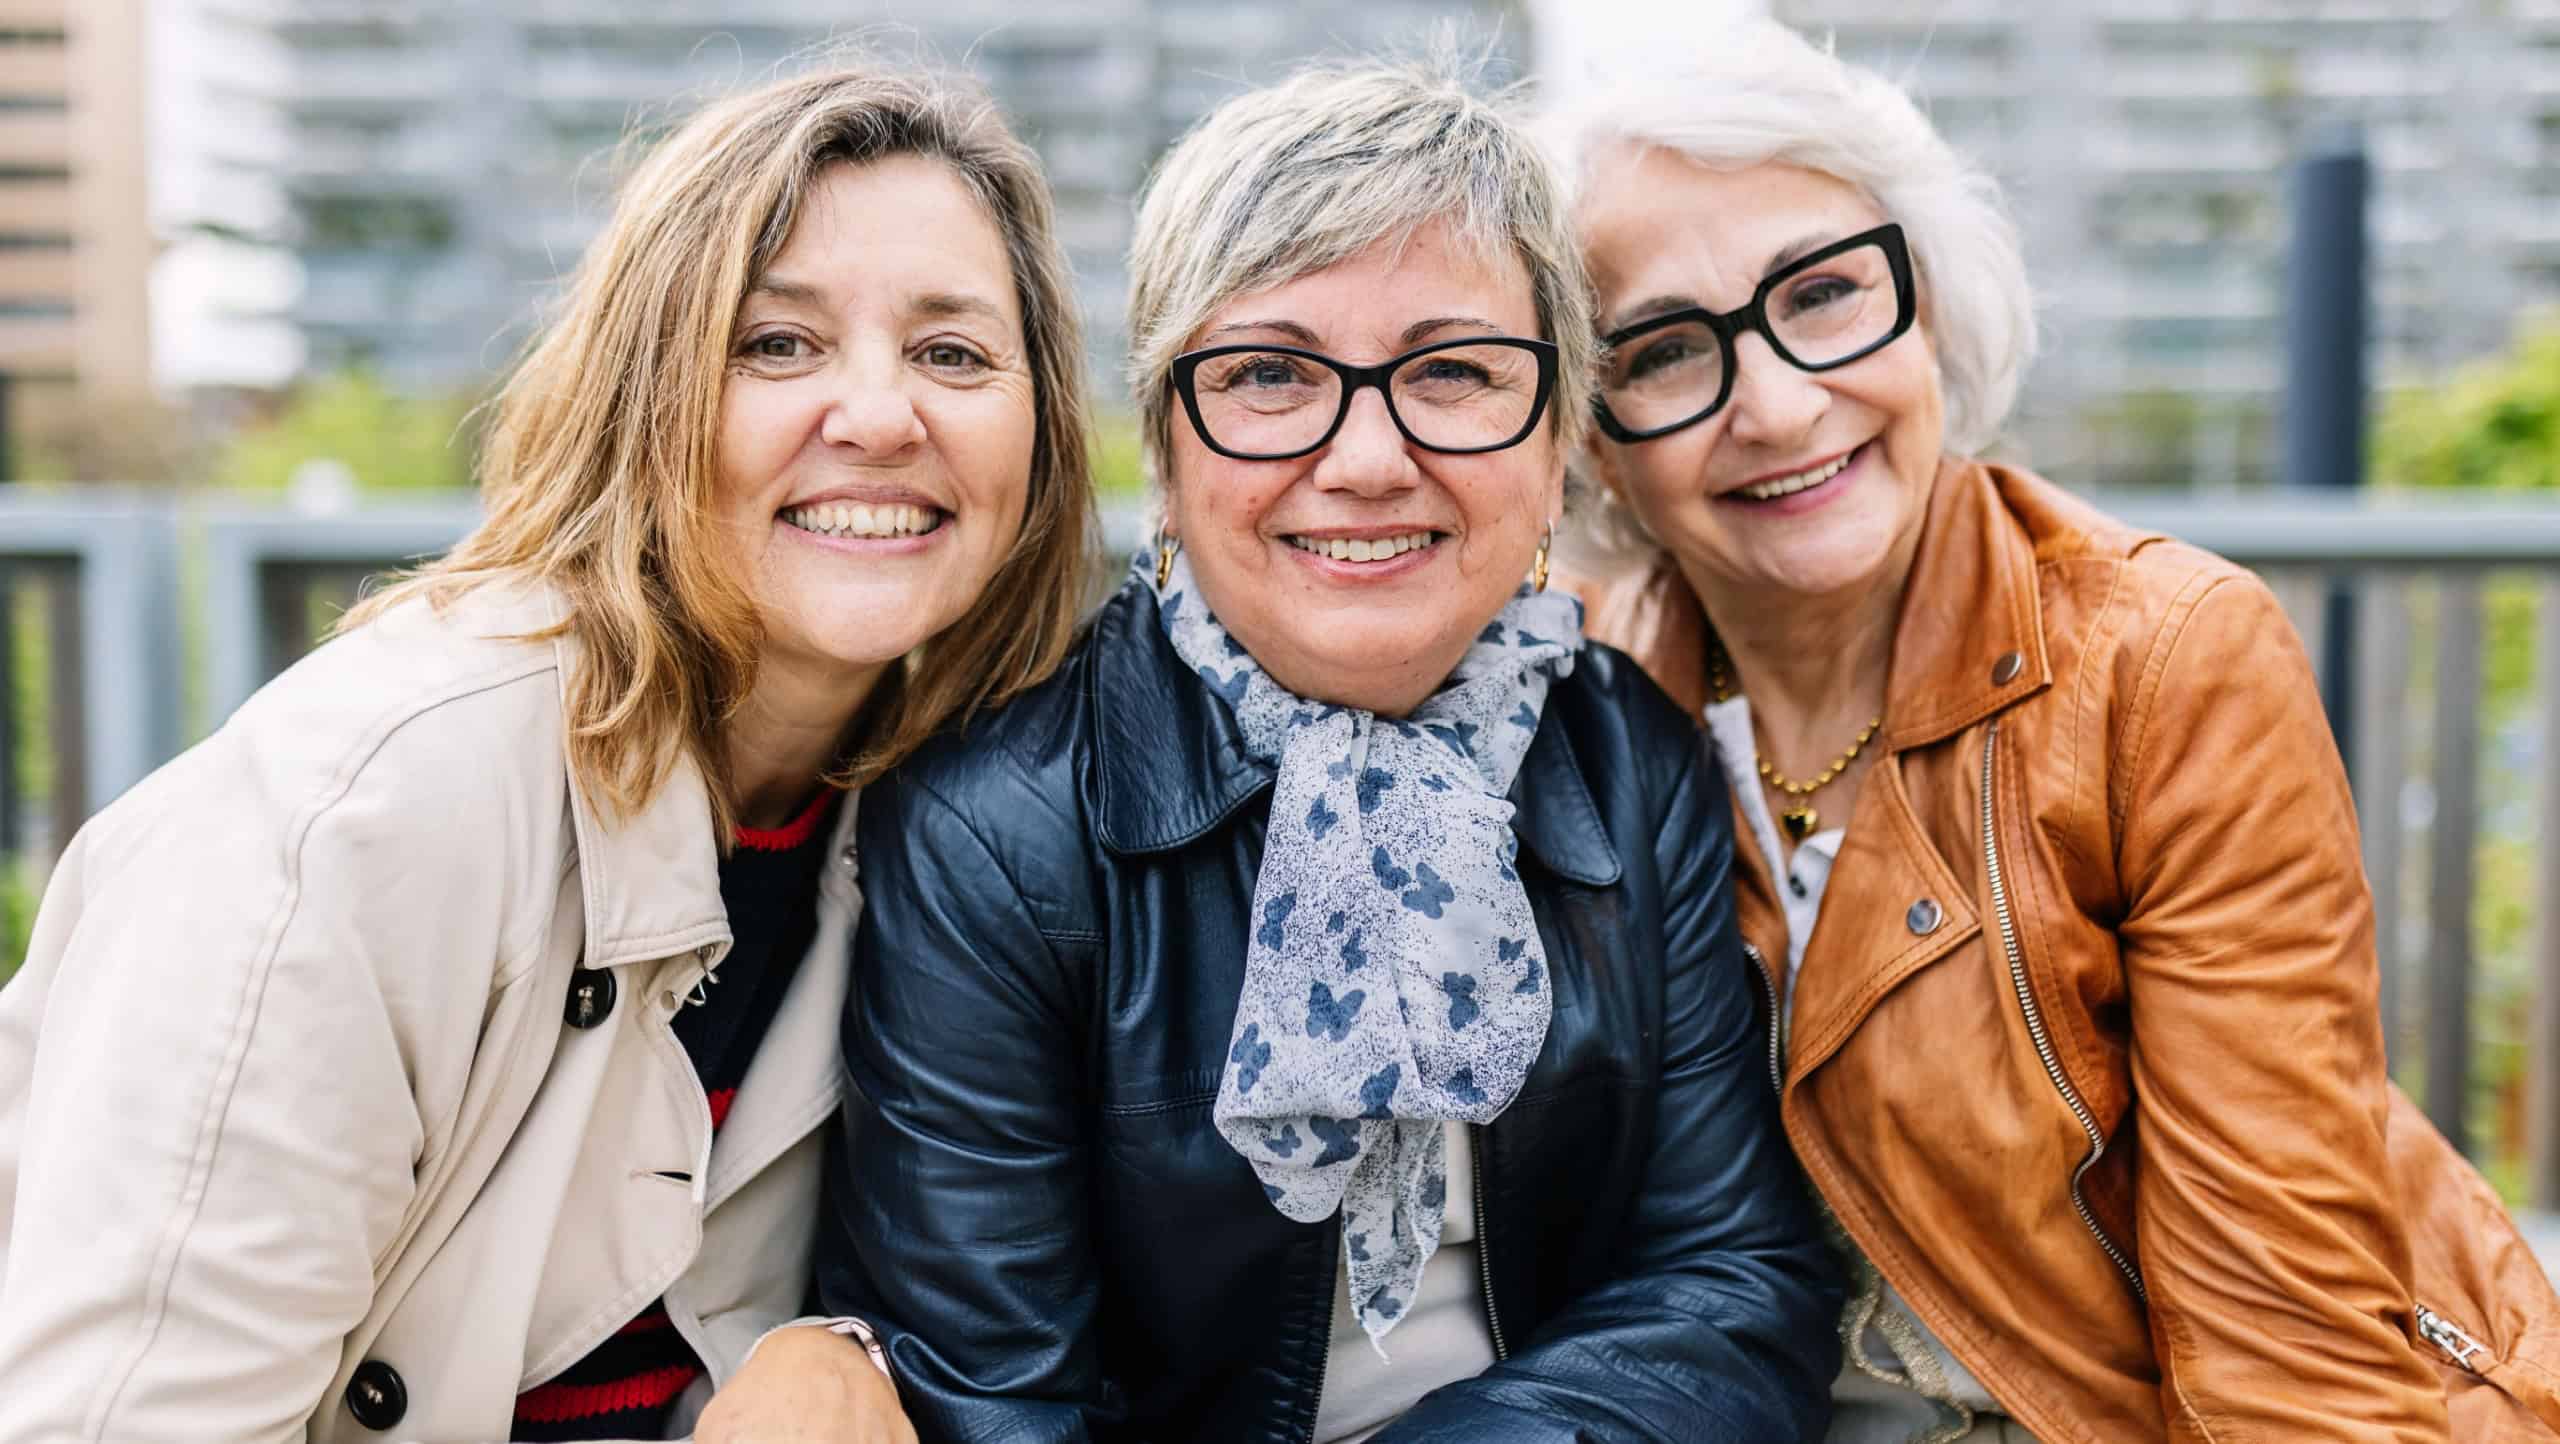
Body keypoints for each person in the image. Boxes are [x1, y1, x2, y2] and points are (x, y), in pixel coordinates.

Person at [730, 52, 1841, 1444]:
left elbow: (1731, 1290)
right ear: (1169, 453)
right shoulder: (995, 826)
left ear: (1556, 435)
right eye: (1267, 375)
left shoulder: (1629, 760)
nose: (1367, 457)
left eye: (1450, 371)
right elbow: (992, 1402)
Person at [0, 58, 1094, 1444]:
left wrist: (843, 1348)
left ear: (1043, 438)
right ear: (644, 398)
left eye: (953, 352)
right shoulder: (365, 811)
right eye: (776, 345)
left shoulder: (955, 816)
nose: (881, 416)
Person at [1554, 20, 2560, 1443]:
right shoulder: (1577, 705)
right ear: (1590, 432)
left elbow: (2285, 1343)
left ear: (1932, 303)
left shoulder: (2161, 666)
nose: (1778, 406)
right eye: (1660, 351)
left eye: (1827, 293)